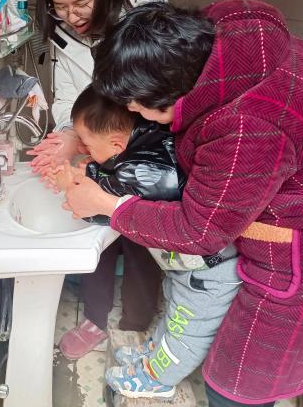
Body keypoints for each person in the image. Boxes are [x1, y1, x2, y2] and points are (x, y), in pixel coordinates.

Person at [62, 0, 303, 406]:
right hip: (292, 219)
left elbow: (199, 230)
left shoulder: (245, 127)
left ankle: (161, 378)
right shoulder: (217, 42)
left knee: (235, 381)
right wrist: (83, 138)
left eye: (137, 107)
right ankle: (157, 361)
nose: (133, 114)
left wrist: (108, 205)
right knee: (193, 330)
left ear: (167, 97)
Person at [28, 0, 169, 360]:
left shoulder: (143, 15)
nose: (71, 17)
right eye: (59, 7)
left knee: (142, 234)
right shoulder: (64, 31)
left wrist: (104, 139)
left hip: (145, 140)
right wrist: (71, 135)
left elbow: (155, 94)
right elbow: (70, 92)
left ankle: (137, 322)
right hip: (100, 141)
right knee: (96, 222)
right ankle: (94, 318)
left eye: (81, 4)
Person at [49, 87, 241, 399]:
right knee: (174, 314)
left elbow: (104, 207)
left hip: (209, 274)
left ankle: (158, 379)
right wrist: (93, 167)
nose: (82, 148)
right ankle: (155, 353)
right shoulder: (149, 140)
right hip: (191, 267)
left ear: (116, 144)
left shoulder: (141, 170)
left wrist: (70, 183)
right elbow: (119, 178)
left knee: (185, 333)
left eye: (87, 144)